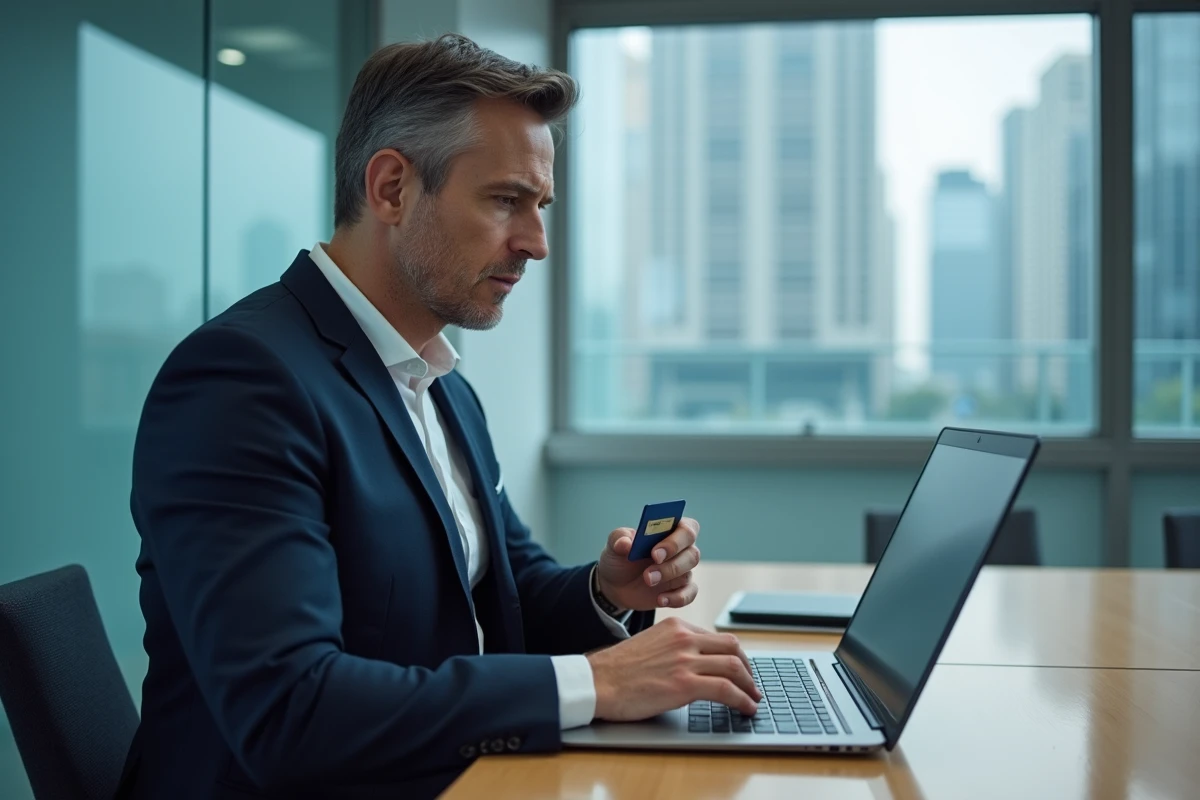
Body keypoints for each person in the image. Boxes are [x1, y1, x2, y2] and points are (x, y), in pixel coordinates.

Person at [116, 33, 760, 800]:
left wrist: (608, 591)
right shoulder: (241, 382)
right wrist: (593, 684)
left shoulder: (441, 381)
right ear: (391, 188)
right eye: (505, 200)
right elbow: (290, 713)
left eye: (540, 206)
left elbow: (505, 594)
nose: (536, 243)